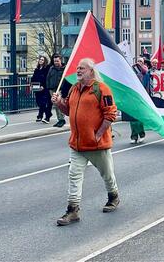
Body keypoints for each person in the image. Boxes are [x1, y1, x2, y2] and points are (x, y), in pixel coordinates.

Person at [51, 58, 120, 226]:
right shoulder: (74, 89)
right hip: (77, 144)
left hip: (97, 145)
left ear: (91, 71)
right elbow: (68, 110)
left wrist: (99, 134)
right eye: (77, 68)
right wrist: (59, 102)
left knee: (107, 175)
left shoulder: (101, 89)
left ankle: (113, 196)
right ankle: (72, 210)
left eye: (82, 68)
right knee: (74, 176)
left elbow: (111, 113)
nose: (78, 70)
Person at [130, 57, 148, 143]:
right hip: (132, 96)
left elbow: (146, 80)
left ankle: (141, 134)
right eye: (138, 61)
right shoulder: (131, 70)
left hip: (141, 96)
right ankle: (134, 137)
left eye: (141, 61)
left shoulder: (144, 71)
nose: (139, 62)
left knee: (139, 118)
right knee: (132, 118)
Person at [46, 53, 66, 127]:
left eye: (57, 61)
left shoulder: (64, 68)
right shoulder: (51, 68)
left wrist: (63, 89)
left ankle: (61, 119)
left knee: (59, 104)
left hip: (60, 89)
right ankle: (60, 119)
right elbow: (48, 78)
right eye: (55, 61)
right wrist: (48, 87)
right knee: (56, 105)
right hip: (52, 89)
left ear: (60, 60)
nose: (56, 63)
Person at [32, 56, 51, 123]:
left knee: (43, 102)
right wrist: (31, 84)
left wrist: (43, 86)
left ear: (44, 61)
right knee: (38, 101)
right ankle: (48, 114)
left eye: (42, 60)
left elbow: (47, 78)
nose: (41, 61)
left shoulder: (46, 69)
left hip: (44, 88)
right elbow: (33, 77)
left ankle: (40, 116)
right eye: (40, 59)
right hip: (36, 87)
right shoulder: (37, 69)